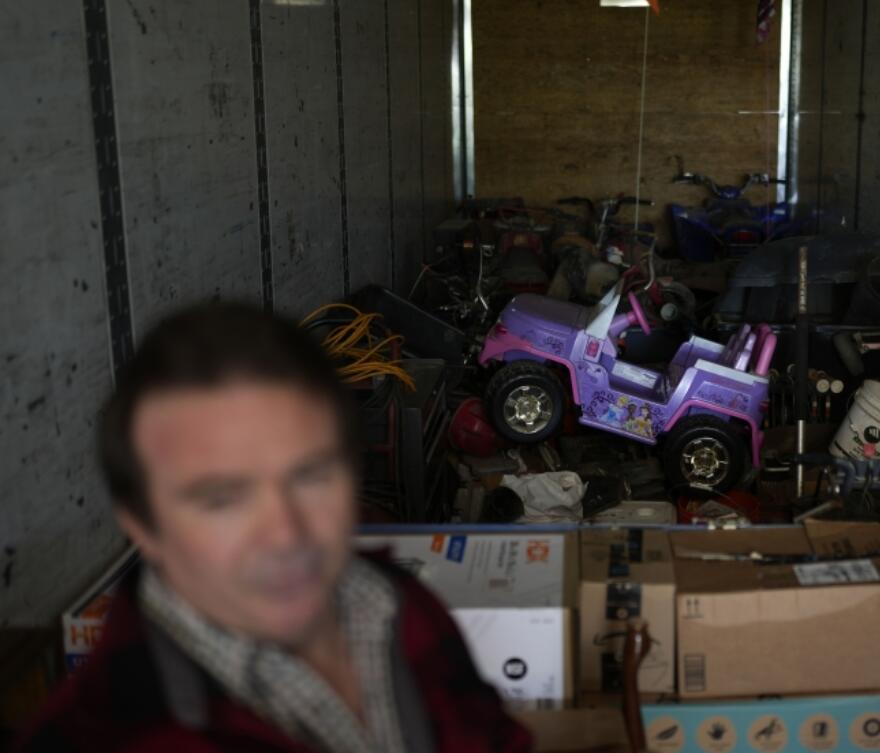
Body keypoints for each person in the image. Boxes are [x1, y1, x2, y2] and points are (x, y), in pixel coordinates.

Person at [13, 303, 532, 753]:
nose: (286, 534)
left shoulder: (400, 607)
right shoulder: (100, 740)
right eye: (222, 499)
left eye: (310, 476)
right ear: (142, 525)